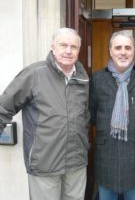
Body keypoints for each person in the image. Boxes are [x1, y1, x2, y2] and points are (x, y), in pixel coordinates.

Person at [0, 27, 90, 200]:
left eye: (74, 47)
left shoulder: (83, 77)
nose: (68, 51)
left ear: (79, 50)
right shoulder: (34, 73)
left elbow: (84, 116)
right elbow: (4, 107)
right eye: (63, 45)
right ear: (52, 47)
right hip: (44, 163)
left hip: (76, 164)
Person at [89, 30, 135, 200]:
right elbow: (92, 114)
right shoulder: (97, 79)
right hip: (105, 154)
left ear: (133, 51)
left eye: (127, 47)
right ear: (110, 51)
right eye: (118, 47)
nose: (123, 52)